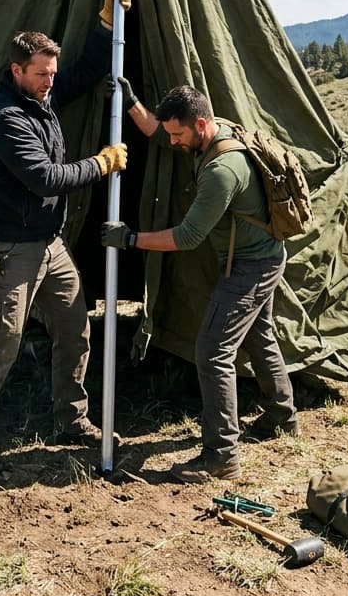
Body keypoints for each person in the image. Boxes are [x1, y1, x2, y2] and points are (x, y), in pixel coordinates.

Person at [0, 0, 132, 475]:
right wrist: (102, 163)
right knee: (2, 341)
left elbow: (84, 73)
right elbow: (45, 178)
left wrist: (105, 25)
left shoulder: (40, 99)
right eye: (42, 74)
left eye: (52, 73)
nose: (51, 81)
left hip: (49, 245)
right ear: (17, 72)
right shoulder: (6, 118)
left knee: (75, 328)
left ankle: (71, 420)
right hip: (13, 249)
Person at [101, 82, 298, 484]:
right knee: (259, 336)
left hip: (251, 267)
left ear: (201, 125)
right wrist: (132, 101)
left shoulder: (221, 171)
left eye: (179, 134)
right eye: (172, 132)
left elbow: (188, 237)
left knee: (212, 352)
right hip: (263, 258)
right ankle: (282, 416)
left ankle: (221, 455)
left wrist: (131, 239)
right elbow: (160, 131)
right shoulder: (214, 133)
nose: (172, 141)